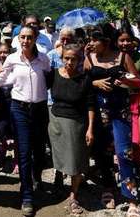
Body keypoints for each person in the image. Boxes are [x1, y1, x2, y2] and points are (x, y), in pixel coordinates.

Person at [0, 26, 51, 216]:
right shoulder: (12, 59)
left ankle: (35, 178)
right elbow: (0, 79)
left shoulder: (44, 59)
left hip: (40, 109)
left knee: (39, 150)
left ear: (35, 39)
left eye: (29, 37)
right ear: (18, 39)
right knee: (24, 152)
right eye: (23, 37)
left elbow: (50, 80)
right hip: (19, 109)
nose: (26, 41)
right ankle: (27, 196)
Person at [86, 28, 140, 213]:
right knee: (103, 153)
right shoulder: (90, 57)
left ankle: (131, 197)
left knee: (124, 152)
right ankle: (108, 187)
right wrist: (95, 83)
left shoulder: (123, 57)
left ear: (106, 41)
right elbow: (81, 82)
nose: (91, 44)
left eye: (94, 40)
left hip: (121, 111)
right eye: (90, 40)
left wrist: (125, 79)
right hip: (99, 112)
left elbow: (138, 81)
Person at [47, 44, 95, 215]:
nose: (70, 62)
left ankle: (73, 194)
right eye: (66, 58)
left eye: (74, 58)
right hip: (55, 121)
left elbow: (90, 105)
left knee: (75, 160)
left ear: (79, 60)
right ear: (61, 58)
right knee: (58, 155)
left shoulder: (84, 79)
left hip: (76, 123)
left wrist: (90, 128)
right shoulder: (53, 75)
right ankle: (58, 180)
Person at [0, 41, 17, 173]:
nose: (3, 55)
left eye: (5, 52)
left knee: (16, 133)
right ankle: (2, 148)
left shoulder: (16, 67)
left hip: (14, 103)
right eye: (1, 52)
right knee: (1, 130)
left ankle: (16, 160)